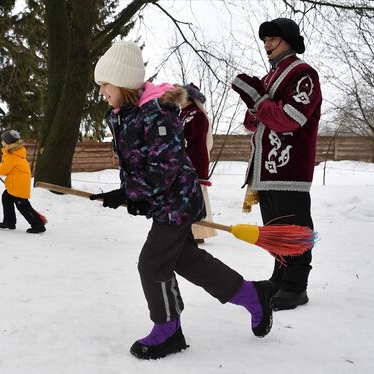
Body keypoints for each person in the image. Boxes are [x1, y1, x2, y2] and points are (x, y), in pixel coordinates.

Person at [89, 41, 273, 360]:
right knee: (187, 261)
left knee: (152, 263)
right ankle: (253, 296)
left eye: (104, 83)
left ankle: (168, 329)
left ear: (122, 81)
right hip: (164, 200)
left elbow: (164, 168)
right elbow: (134, 162)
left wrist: (130, 193)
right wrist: (129, 189)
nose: (101, 90)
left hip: (177, 200)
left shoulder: (157, 114)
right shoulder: (124, 114)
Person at [231, 18, 321, 311]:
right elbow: (251, 121)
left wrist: (259, 101)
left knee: (293, 227)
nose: (267, 45)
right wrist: (257, 103)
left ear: (289, 41)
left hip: (289, 166)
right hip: (265, 168)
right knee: (275, 228)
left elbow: (290, 118)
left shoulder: (304, 74)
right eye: (265, 40)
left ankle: (296, 286)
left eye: (273, 39)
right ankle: (280, 278)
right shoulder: (270, 78)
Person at [178, 83, 218, 244]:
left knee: (196, 196)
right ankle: (185, 231)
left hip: (194, 161)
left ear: (190, 98)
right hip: (182, 160)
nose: (180, 101)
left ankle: (199, 231)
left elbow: (197, 138)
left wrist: (179, 142)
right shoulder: (181, 115)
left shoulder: (199, 115)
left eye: (183, 97)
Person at [0, 130, 46, 234]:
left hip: (18, 185)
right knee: (6, 198)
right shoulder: (12, 153)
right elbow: (5, 168)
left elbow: (3, 170)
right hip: (16, 184)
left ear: (8, 142)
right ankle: (9, 222)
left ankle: (38, 225)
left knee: (23, 206)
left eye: (3, 140)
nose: (1, 142)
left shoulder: (12, 155)